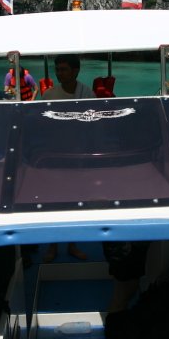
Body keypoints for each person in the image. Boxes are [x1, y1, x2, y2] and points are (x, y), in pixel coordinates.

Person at [41, 54, 94, 262]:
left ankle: (72, 244)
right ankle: (52, 246)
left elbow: (93, 126)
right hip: (55, 154)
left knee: (76, 199)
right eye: (57, 69)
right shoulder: (49, 95)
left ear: (75, 71)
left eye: (63, 69)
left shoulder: (87, 93)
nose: (59, 73)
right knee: (53, 199)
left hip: (79, 154)